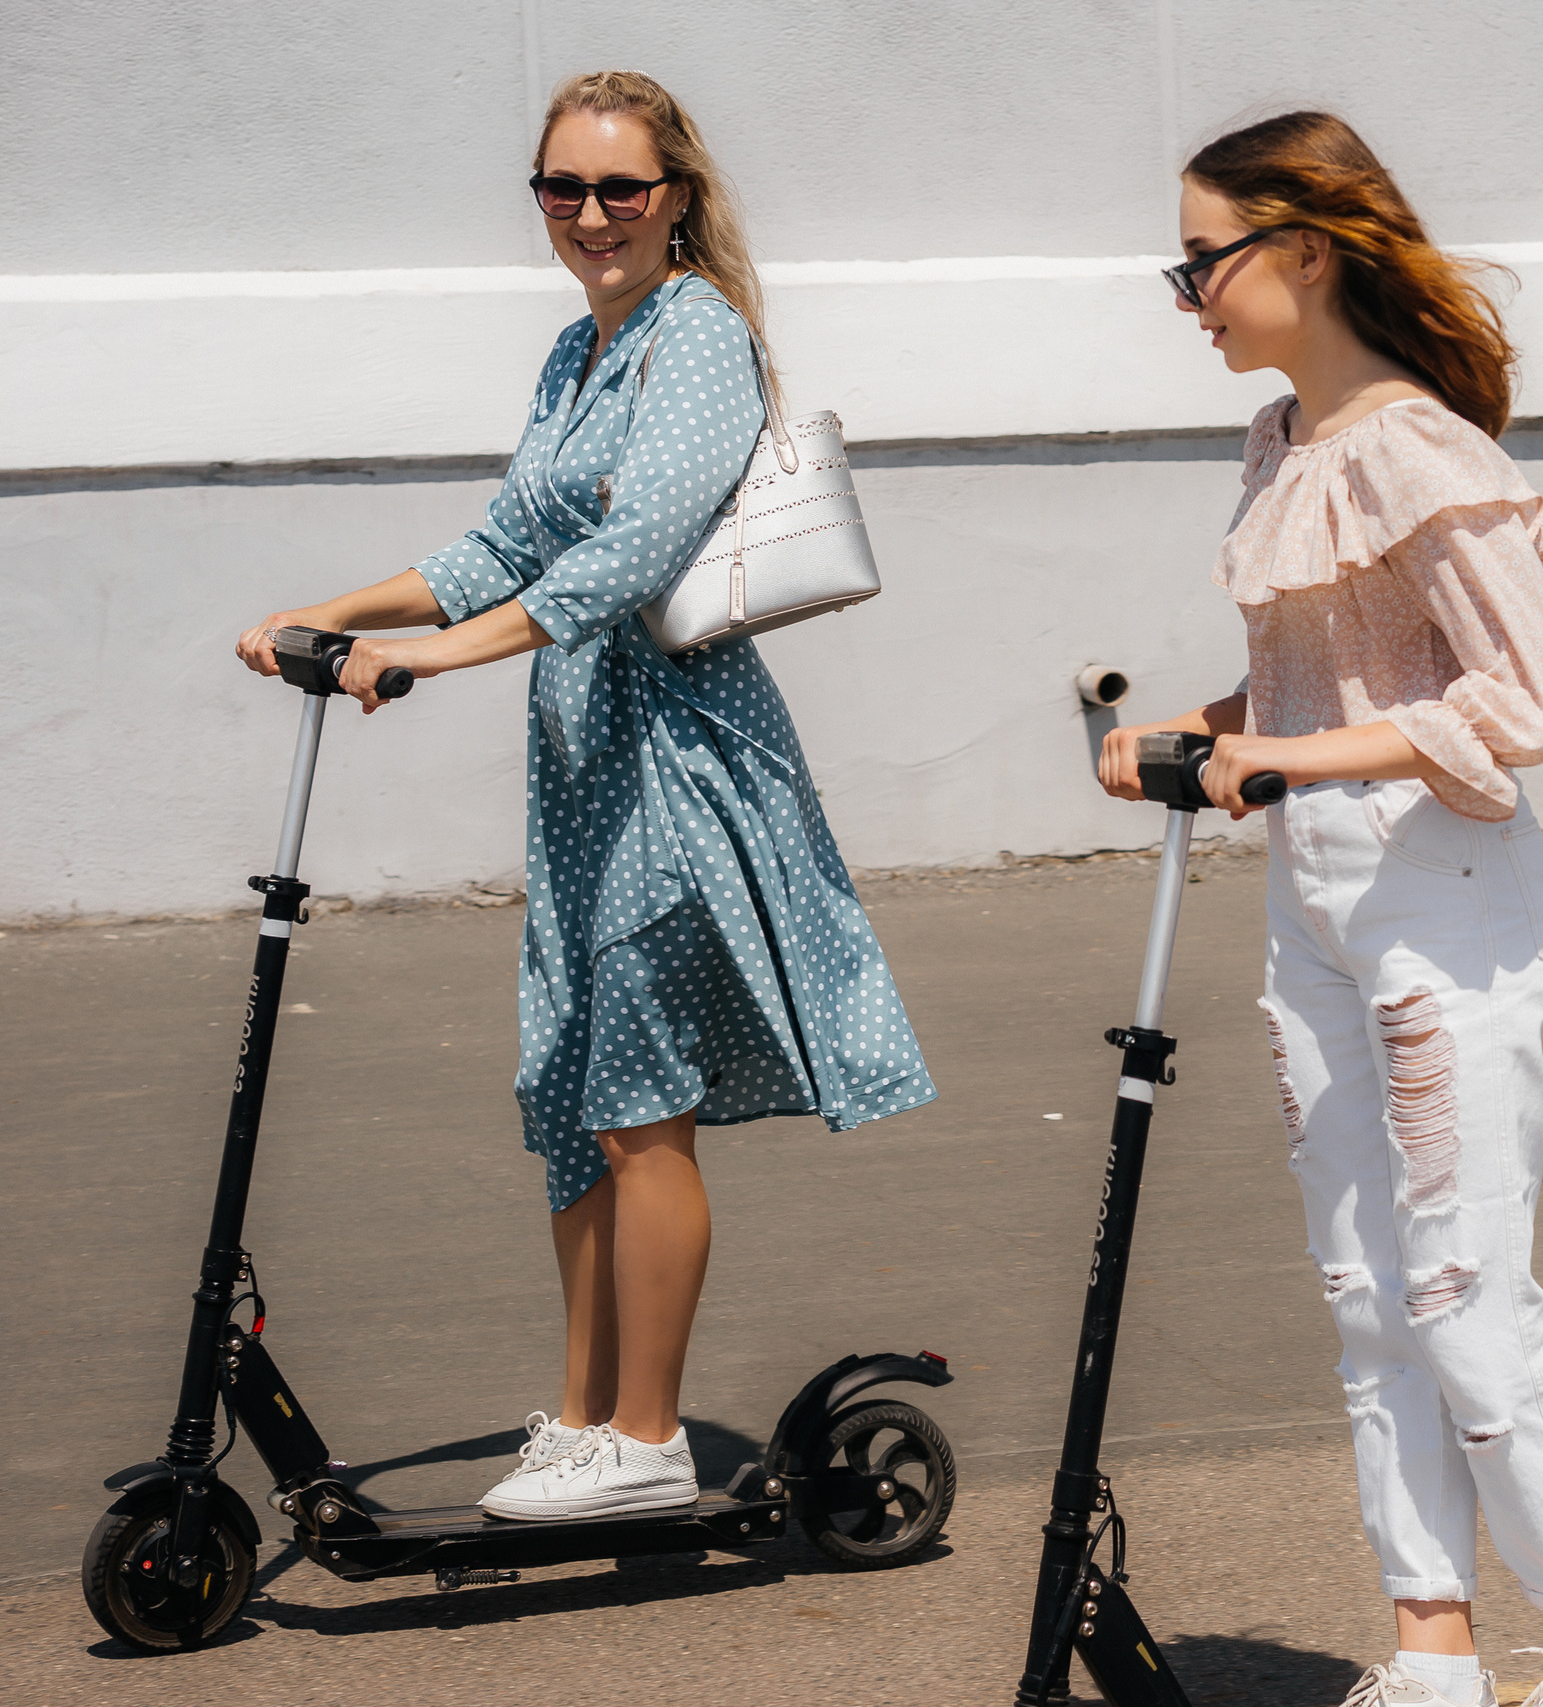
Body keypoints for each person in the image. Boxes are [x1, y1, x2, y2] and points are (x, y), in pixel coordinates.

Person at [235, 70, 935, 1520]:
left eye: (623, 188)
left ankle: (650, 1437)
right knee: (570, 1094)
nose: (594, 214)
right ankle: (581, 1419)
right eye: (565, 188)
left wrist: (424, 659)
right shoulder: (578, 350)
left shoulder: (698, 342)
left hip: (674, 762)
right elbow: (503, 544)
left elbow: (622, 563)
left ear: (676, 198)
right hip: (580, 769)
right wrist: (326, 612)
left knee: (640, 1110)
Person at [1098, 112, 1543, 1707]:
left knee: (1465, 1296)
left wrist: (1280, 756)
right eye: (1182, 267)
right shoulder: (1281, 445)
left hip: (1442, 905)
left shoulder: (1419, 452)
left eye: (1203, 260)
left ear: (1306, 250)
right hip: (1316, 909)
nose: (1188, 293)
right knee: (1364, 1297)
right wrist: (1208, 738)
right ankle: (1432, 1654)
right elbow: (1320, 686)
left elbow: (1524, 700)